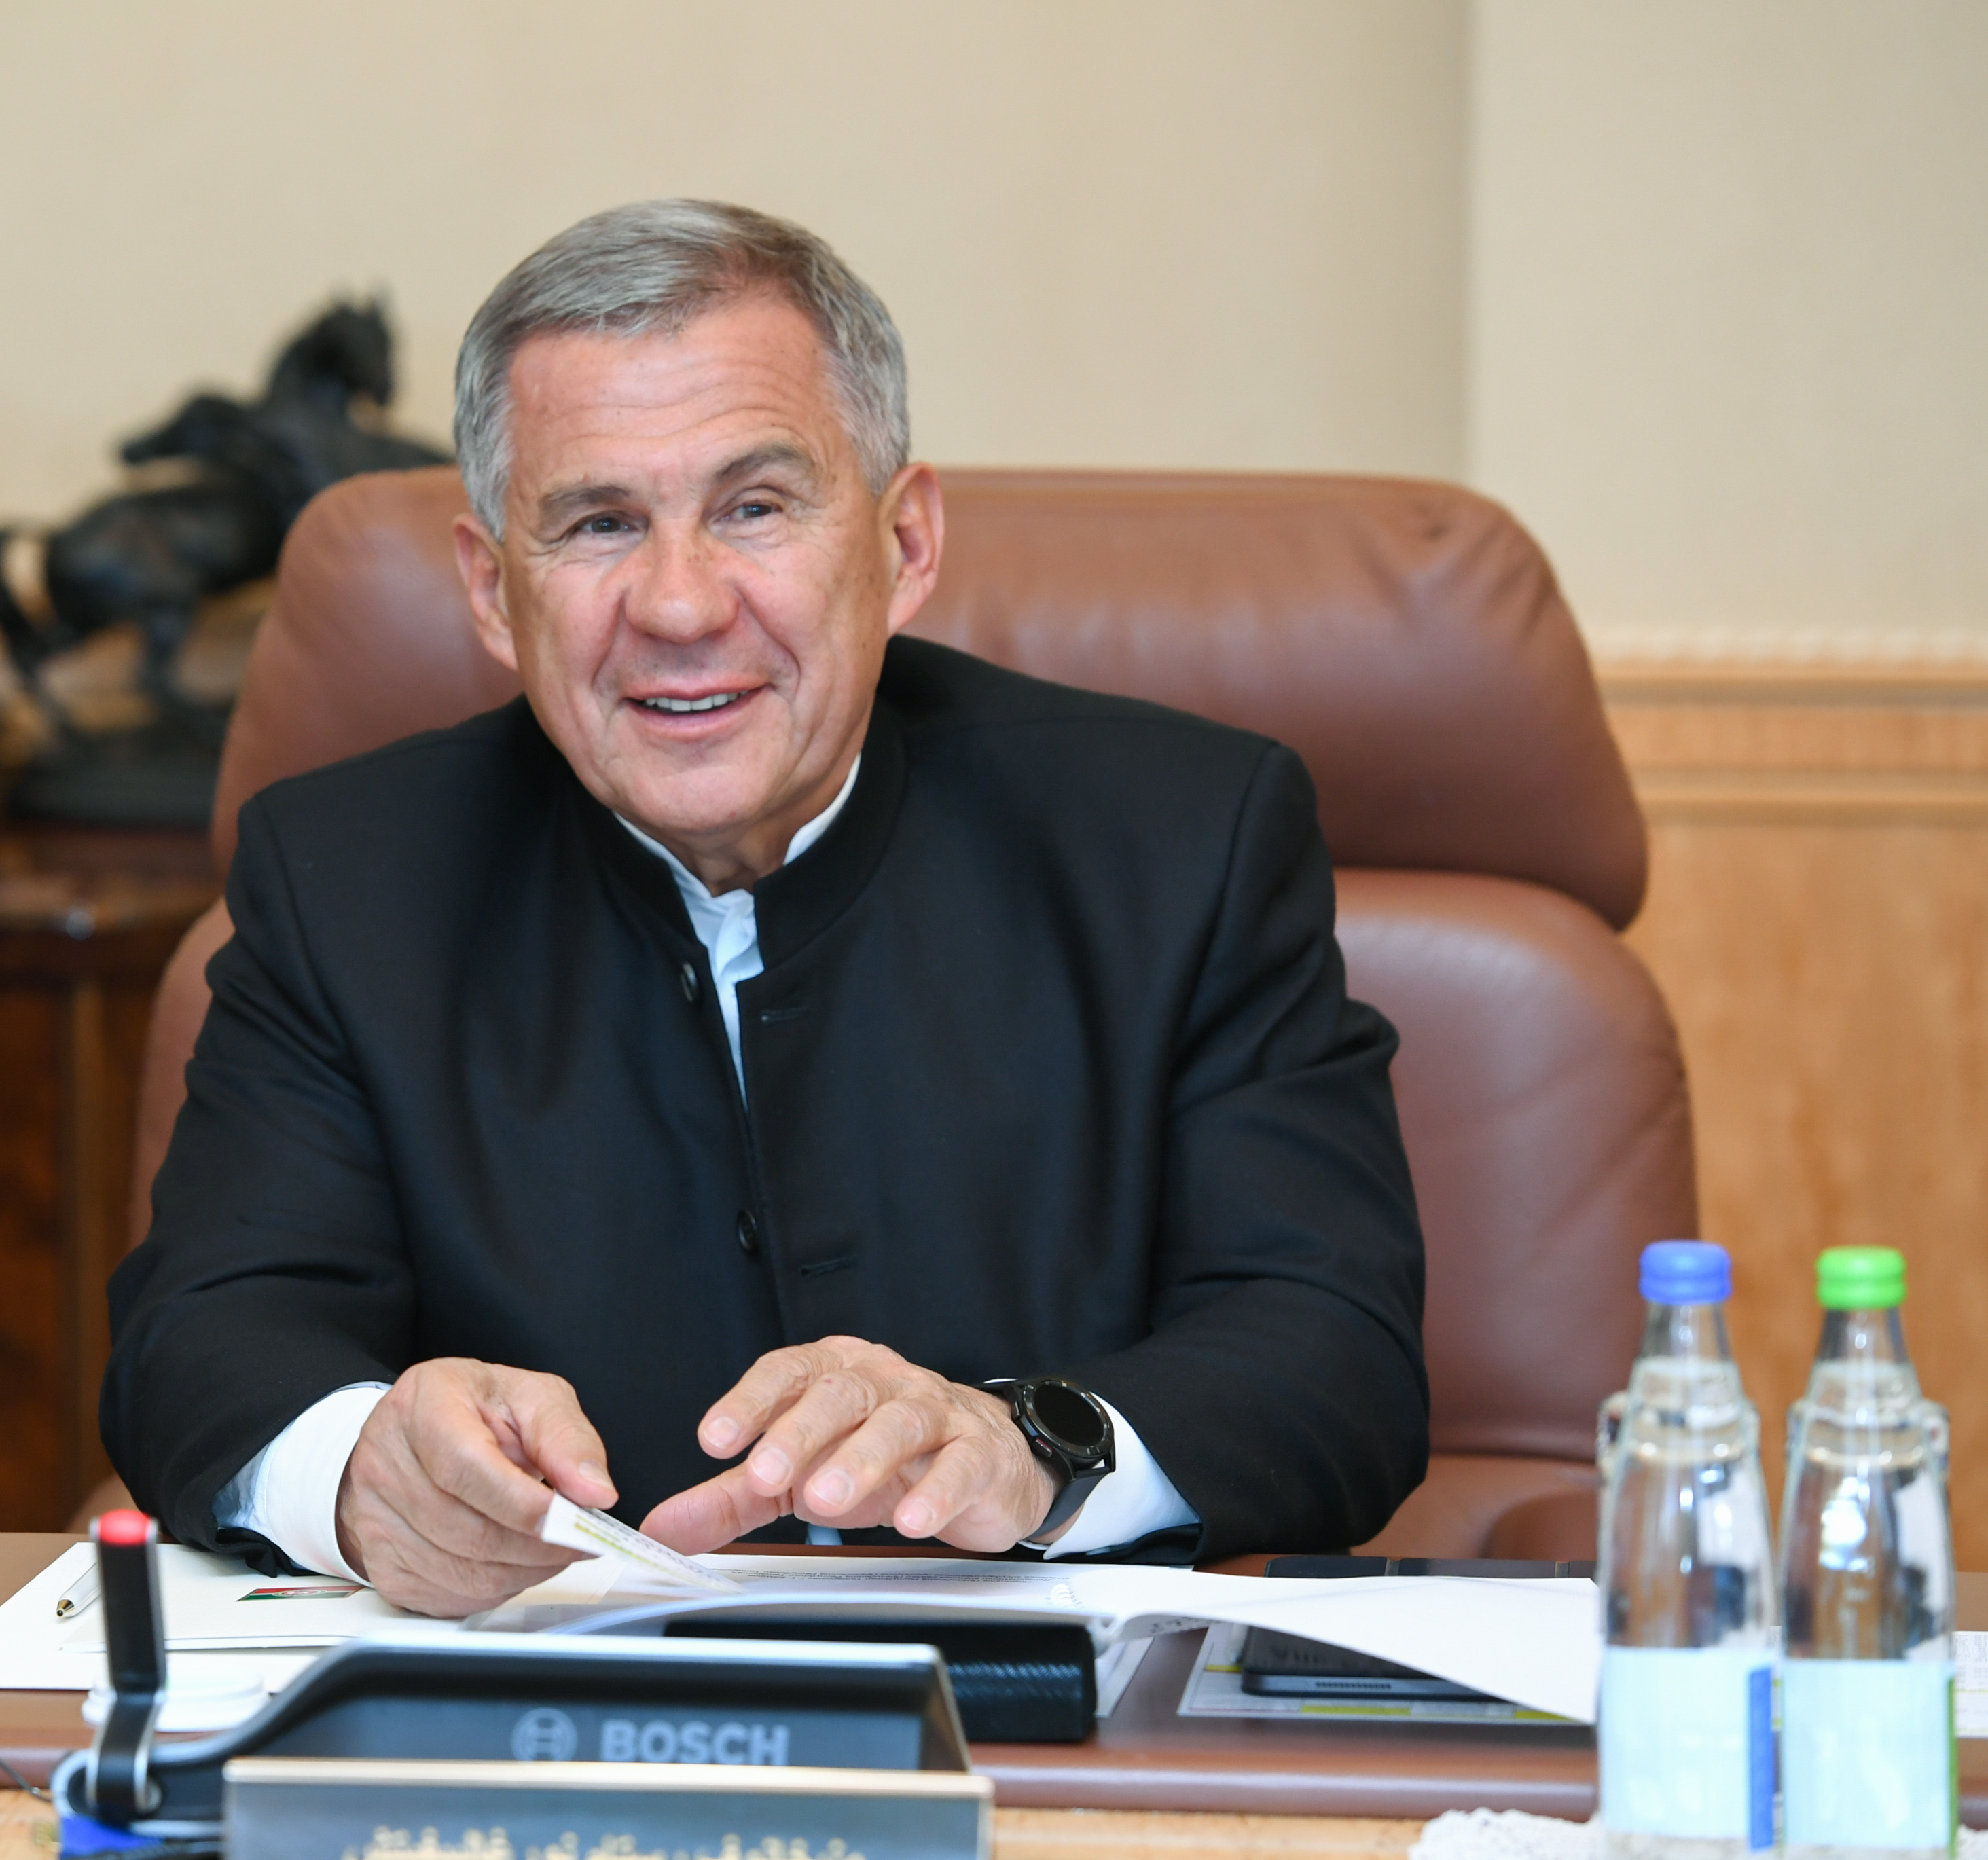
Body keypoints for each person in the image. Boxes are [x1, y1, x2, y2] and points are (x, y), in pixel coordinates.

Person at [103, 200, 1426, 1618]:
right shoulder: (347, 876)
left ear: (903, 542)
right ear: (491, 592)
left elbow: (1331, 1350)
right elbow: (203, 1337)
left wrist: (1028, 1449)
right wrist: (361, 1468)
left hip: (1047, 1700)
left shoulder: (1181, 839)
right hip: (547, 1700)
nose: (679, 606)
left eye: (754, 508)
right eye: (600, 523)